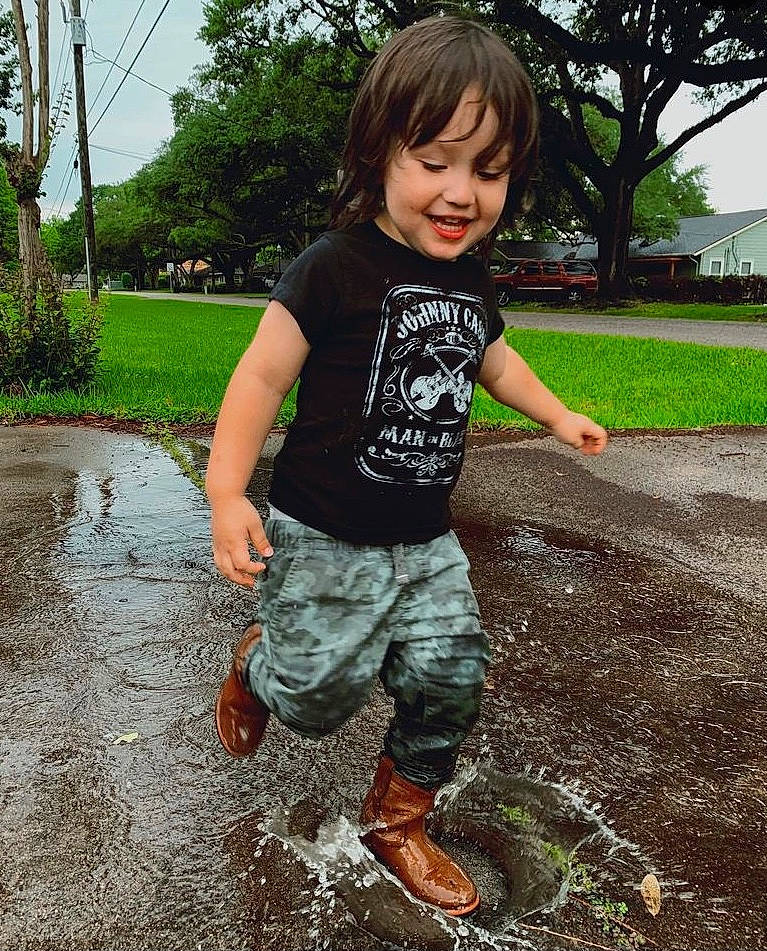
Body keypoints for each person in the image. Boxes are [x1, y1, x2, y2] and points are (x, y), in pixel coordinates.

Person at [206, 15, 607, 917]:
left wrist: (556, 413)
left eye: (490, 171)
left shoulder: (472, 278)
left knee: (452, 674)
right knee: (315, 701)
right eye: (436, 161)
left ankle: (398, 817)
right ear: (380, 152)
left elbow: (494, 362)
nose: (462, 192)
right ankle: (263, 663)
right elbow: (261, 374)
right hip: (323, 535)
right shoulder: (334, 267)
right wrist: (227, 491)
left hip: (424, 542)